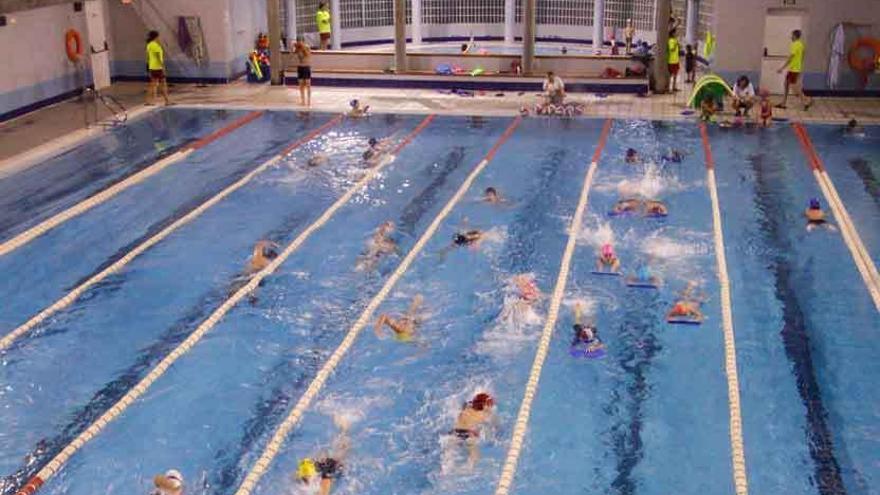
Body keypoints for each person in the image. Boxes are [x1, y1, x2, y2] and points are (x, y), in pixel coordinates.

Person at [296, 416, 352, 495]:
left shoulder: (322, 482)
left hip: (324, 470)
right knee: (340, 454)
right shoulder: (304, 480)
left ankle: (345, 429)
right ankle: (344, 430)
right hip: (318, 469)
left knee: (340, 455)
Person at [450, 392, 496, 469]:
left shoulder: (466, 408)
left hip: (454, 432)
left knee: (450, 456)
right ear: (484, 405)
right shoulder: (485, 414)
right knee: (474, 458)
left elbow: (465, 404)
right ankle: (466, 471)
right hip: (469, 434)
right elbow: (493, 425)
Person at [777, 29, 813, 110]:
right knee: (786, 84)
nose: (791, 37)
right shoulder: (801, 44)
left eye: (792, 35)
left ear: (795, 36)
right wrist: (799, 65)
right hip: (796, 68)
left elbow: (791, 57)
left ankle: (806, 101)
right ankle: (783, 103)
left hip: (793, 69)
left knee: (795, 88)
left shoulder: (795, 44)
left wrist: (782, 68)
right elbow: (803, 55)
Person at [145, 31, 170, 106]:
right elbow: (158, 57)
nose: (159, 38)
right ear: (156, 37)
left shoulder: (149, 45)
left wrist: (148, 66)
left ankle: (149, 101)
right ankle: (167, 101)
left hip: (152, 67)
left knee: (153, 84)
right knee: (163, 84)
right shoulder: (156, 45)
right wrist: (163, 67)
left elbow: (148, 57)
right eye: (158, 37)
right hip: (158, 67)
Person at [293, 40, 312, 107]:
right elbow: (293, 54)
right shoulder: (297, 48)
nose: (299, 43)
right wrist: (295, 46)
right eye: (298, 41)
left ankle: (309, 101)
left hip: (306, 67)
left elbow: (307, 54)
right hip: (300, 68)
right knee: (301, 85)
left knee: (308, 84)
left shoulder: (307, 47)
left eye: (300, 41)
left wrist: (302, 47)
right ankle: (303, 100)